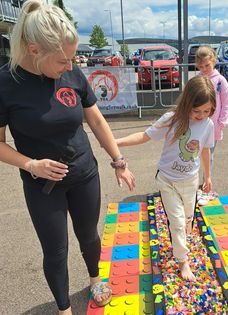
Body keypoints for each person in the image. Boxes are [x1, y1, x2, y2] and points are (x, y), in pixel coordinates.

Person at [0, 1, 135, 314]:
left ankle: (94, 279)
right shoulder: (6, 84)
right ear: (34, 50)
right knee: (56, 251)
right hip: (42, 186)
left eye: (72, 58)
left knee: (89, 235)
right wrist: (31, 164)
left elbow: (97, 120)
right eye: (63, 60)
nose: (71, 67)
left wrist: (118, 161)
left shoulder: (71, 74)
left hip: (84, 174)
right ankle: (64, 309)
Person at [116, 76, 216, 281]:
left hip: (190, 181)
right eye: (197, 111)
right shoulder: (172, 119)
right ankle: (182, 261)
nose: (201, 115)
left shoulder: (208, 124)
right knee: (178, 222)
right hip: (167, 180)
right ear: (187, 103)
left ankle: (181, 240)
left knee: (188, 219)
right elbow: (145, 136)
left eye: (207, 111)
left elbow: (205, 149)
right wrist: (115, 142)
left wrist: (208, 176)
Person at [195, 46, 228, 174]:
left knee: (209, 153)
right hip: (197, 122)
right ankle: (193, 179)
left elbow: (226, 102)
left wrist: (222, 121)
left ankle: (206, 179)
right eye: (201, 66)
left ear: (214, 61)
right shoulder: (196, 80)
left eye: (207, 65)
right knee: (194, 152)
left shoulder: (220, 80)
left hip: (214, 124)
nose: (204, 69)